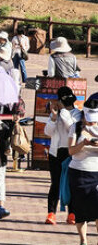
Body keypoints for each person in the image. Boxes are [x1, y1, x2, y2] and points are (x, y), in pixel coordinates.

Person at [44, 86, 82, 225]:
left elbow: (71, 127)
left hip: (70, 153)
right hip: (55, 152)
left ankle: (71, 213)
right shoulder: (56, 114)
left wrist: (64, 112)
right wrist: (53, 117)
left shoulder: (77, 114)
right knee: (55, 184)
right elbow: (48, 132)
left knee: (71, 184)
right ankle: (51, 213)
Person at [67, 98, 98, 245]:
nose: (92, 123)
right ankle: (83, 240)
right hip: (78, 172)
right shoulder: (76, 127)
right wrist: (83, 143)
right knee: (80, 210)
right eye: (89, 120)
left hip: (96, 173)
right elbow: (71, 151)